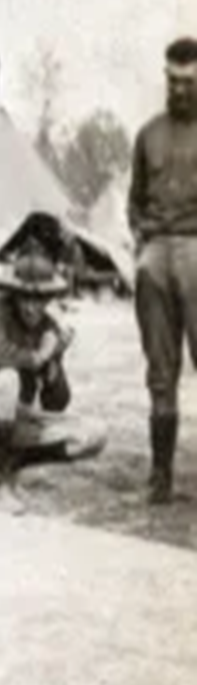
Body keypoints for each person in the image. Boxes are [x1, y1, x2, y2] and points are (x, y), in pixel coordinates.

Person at [0, 242, 107, 513]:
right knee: (7, 379)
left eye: (40, 299)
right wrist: (41, 355)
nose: (32, 308)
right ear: (13, 293)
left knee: (94, 434)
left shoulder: (48, 327)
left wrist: (54, 362)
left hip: (16, 419)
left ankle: (12, 462)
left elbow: (57, 403)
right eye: (25, 298)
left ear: (50, 297)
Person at [128, 36, 197, 505]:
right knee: (160, 370)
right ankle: (160, 476)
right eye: (173, 80)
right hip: (155, 258)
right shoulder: (147, 134)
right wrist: (142, 243)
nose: (180, 89)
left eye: (189, 81)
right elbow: (134, 200)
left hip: (196, 251)